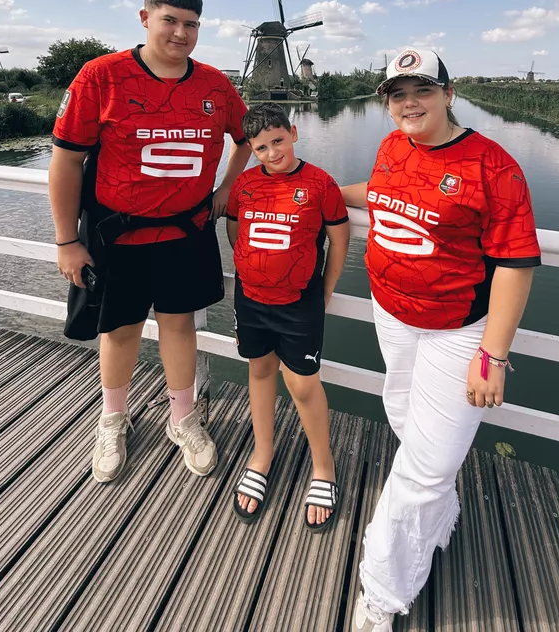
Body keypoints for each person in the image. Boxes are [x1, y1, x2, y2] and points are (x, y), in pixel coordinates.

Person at [342, 48, 541, 631]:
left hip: (457, 330)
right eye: (397, 94)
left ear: (449, 95)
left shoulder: (493, 166)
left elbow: (515, 263)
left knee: (428, 465)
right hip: (392, 313)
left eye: (422, 90)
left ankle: (381, 592)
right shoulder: (391, 146)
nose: (409, 103)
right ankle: (436, 515)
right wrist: (316, 188)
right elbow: (380, 194)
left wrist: (493, 353)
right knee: (404, 415)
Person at [49, 0, 251, 483]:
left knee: (180, 326)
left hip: (187, 231)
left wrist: (228, 186)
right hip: (119, 235)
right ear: (145, 18)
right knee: (120, 330)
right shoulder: (101, 76)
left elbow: (247, 136)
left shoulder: (214, 84)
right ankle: (112, 419)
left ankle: (182, 419)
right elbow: (66, 161)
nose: (181, 33)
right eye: (170, 21)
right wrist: (67, 240)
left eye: (192, 24)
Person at [226, 104, 350, 531]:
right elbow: (234, 230)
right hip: (251, 299)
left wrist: (326, 287)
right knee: (260, 370)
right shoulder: (244, 184)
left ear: (293, 133)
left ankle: (323, 466)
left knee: (302, 384)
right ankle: (263, 454)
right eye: (261, 147)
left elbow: (339, 240)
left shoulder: (320, 183)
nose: (272, 152)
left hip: (299, 303)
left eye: (278, 141)